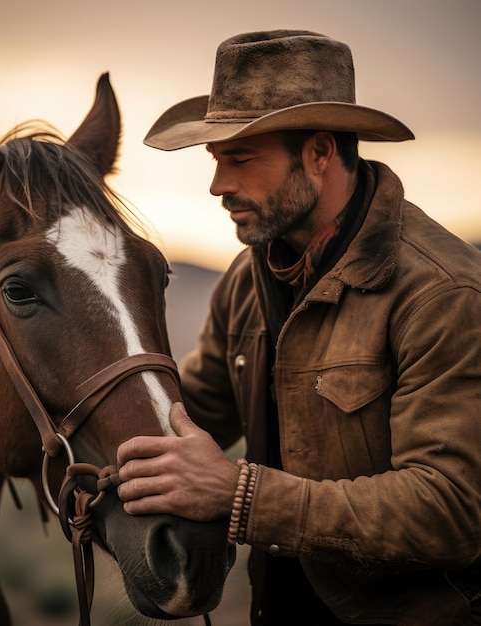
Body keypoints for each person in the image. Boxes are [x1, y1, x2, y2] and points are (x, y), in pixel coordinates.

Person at [116, 30, 481, 625]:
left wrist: (241, 495)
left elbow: (451, 510)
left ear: (318, 153)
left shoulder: (440, 292)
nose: (218, 186)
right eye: (216, 161)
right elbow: (187, 415)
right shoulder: (247, 280)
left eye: (241, 158)